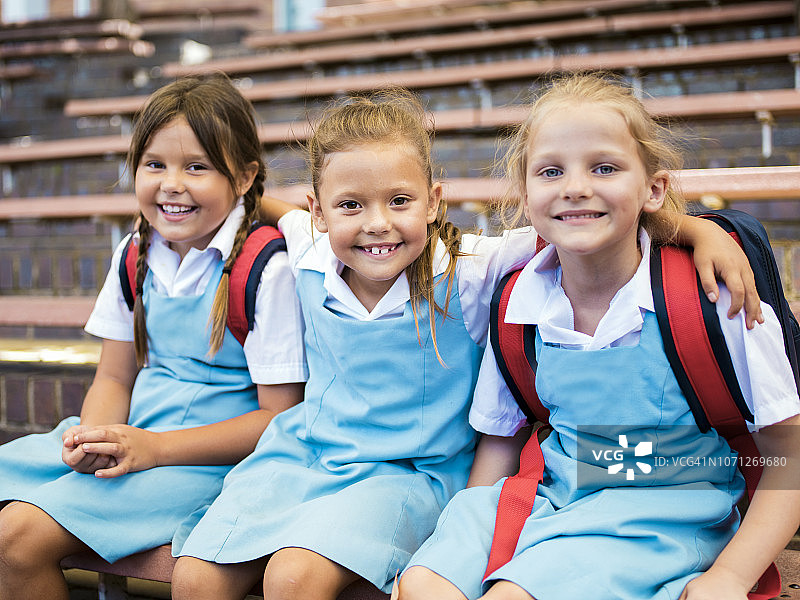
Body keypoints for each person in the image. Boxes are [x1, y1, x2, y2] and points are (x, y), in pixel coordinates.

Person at [171, 87, 765, 600]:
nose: (376, 223)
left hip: (415, 470)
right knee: (194, 577)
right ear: (318, 211)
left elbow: (584, 222)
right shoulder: (306, 246)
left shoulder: (478, 267)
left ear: (434, 201)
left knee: (293, 576)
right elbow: (269, 209)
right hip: (307, 458)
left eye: (399, 201)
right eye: (350, 205)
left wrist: (697, 229)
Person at [397, 73, 800, 600]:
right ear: (524, 191)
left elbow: (787, 457)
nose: (575, 187)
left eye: (604, 167)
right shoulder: (519, 304)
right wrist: (467, 539)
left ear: (654, 188)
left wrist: (728, 578)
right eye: (551, 171)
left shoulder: (715, 299)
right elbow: (500, 441)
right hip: (556, 492)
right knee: (424, 586)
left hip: (662, 509)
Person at [0, 74, 306, 600]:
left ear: (245, 175)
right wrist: (94, 438)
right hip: (136, 439)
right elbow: (114, 377)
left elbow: (278, 420)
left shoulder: (262, 268)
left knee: (15, 541)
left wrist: (154, 449)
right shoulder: (135, 253)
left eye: (197, 167)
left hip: (206, 461)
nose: (172, 183)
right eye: (154, 164)